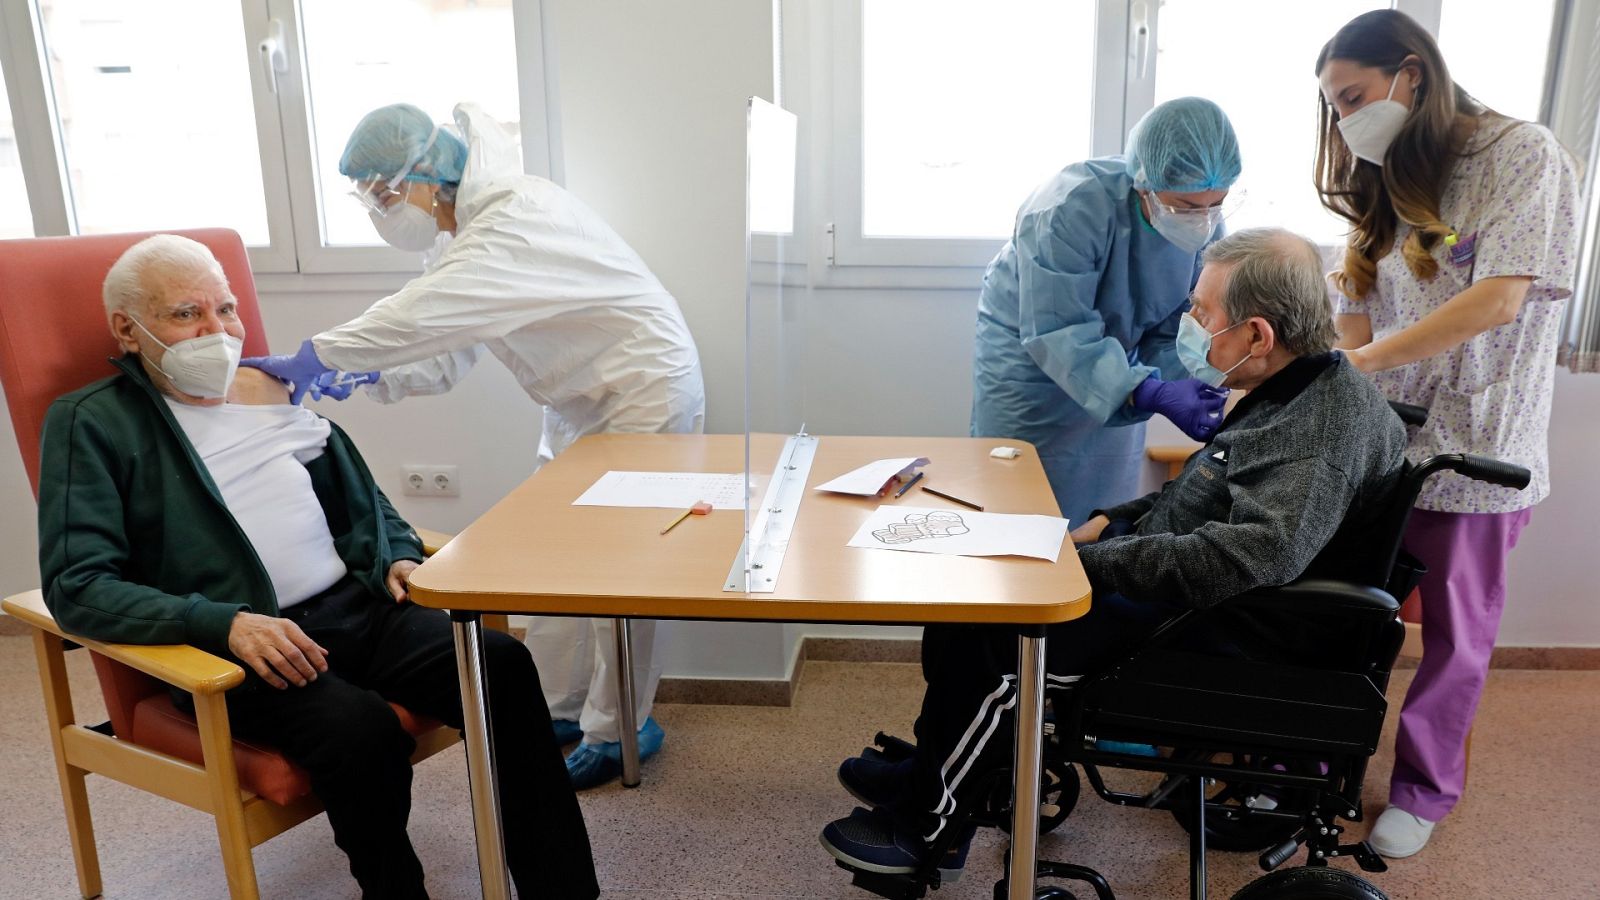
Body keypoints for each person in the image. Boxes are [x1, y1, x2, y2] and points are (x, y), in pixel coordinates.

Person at [819, 228, 1409, 880]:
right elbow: (1201, 498)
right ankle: (935, 768)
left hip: (1207, 628)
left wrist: (1092, 565)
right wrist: (1111, 522)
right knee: (967, 602)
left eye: (1203, 313)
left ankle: (926, 830)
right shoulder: (1292, 388)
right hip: (1183, 596)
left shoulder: (1317, 427)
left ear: (1258, 336)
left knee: (997, 643)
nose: (1190, 324)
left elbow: (1257, 556)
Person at [37, 235, 599, 899]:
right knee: (358, 730)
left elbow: (368, 503)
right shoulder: (94, 423)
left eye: (227, 310)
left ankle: (562, 890)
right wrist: (223, 623)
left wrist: (398, 552)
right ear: (128, 331)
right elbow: (77, 586)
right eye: (186, 315)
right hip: (247, 645)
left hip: (356, 608)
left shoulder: (267, 392)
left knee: (498, 664)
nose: (216, 332)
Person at [243, 102, 706, 789]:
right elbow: (447, 348)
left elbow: (424, 314)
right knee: (554, 562)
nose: (382, 209)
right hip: (579, 401)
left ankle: (622, 726)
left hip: (642, 393)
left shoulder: (514, 220)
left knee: (624, 573)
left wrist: (321, 355)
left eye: (386, 192)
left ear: (429, 174)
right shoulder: (463, 238)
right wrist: (366, 372)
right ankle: (559, 708)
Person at [1313, 10, 1580, 858]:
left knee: (1456, 636)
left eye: (1354, 95)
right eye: (1334, 107)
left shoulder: (1520, 156)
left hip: (1476, 446)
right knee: (1350, 610)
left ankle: (1425, 791)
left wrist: (1364, 363)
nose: (1347, 119)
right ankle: (1320, 756)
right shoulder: (1388, 168)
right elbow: (1360, 300)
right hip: (1384, 447)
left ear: (1412, 74)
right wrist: (1334, 360)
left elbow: (1498, 296)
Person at [971, 96, 1242, 525]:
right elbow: (1059, 330)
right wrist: (1147, 390)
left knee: (1102, 514)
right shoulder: (1065, 209)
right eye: (1187, 207)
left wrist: (1183, 376)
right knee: (1019, 514)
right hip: (1033, 370)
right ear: (1144, 183)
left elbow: (1181, 321)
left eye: (1217, 203)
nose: (1203, 221)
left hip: (1121, 370)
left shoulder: (1204, 223)